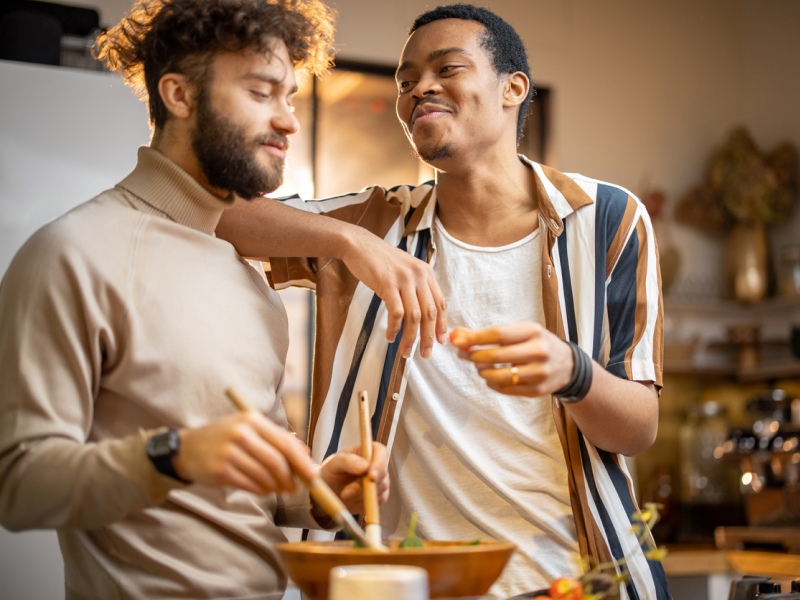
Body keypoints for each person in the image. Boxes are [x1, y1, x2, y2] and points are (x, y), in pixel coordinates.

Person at [0, 0, 452, 597]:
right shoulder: (72, 253)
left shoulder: (247, 279)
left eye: (290, 96)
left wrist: (314, 490)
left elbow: (245, 483)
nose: (289, 121)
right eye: (263, 93)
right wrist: (172, 455)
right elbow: (19, 486)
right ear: (179, 95)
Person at [217, 4, 670, 599]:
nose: (418, 89)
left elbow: (638, 428)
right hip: (405, 583)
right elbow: (217, 214)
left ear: (513, 89)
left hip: (571, 582)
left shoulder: (608, 219)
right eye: (405, 81)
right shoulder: (374, 224)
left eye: (446, 68)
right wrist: (350, 241)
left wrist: (571, 372)